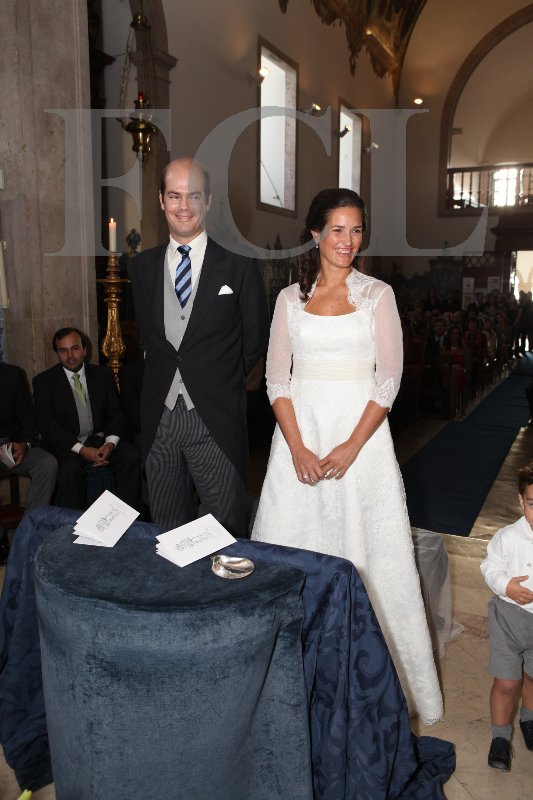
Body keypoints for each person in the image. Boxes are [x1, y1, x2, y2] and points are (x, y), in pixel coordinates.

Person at [251, 188, 443, 724]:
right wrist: (298, 448)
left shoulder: (378, 295)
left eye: (356, 230)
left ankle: (375, 685)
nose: (348, 241)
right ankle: (285, 681)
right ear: (315, 233)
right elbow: (275, 379)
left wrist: (352, 446)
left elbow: (388, 379)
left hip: (361, 442)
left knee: (368, 557)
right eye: (337, 229)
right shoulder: (289, 300)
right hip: (301, 438)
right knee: (295, 548)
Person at [129, 158, 269, 535]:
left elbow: (255, 341)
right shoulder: (142, 268)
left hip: (215, 418)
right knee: (166, 530)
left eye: (193, 195)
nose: (183, 206)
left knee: (221, 532)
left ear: (207, 200)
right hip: (159, 419)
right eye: (174, 195)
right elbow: (150, 340)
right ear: (161, 200)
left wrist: (217, 380)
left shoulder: (239, 265)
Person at [32, 328, 141, 510]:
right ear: (57, 353)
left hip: (100, 438)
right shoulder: (43, 382)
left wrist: (110, 444)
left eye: (74, 349)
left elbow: (116, 414)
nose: (70, 356)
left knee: (131, 457)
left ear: (84, 349)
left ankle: (126, 516)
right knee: (70, 470)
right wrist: (82, 450)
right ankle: (77, 521)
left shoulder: (102, 375)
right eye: (63, 351)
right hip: (67, 443)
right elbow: (47, 426)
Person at [480, 462, 533, 771]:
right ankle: (500, 736)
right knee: (507, 682)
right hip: (509, 620)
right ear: (521, 501)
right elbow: (489, 567)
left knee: (532, 677)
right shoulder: (508, 536)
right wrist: (506, 586)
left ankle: (529, 718)